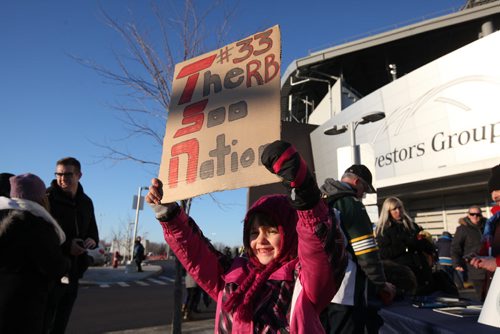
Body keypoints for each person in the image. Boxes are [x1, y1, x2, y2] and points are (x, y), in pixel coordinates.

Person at [146, 140, 347, 333]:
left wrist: (305, 195)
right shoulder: (232, 276)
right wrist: (168, 213)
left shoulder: (304, 282)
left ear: (291, 233)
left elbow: (319, 251)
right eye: (254, 232)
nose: (260, 240)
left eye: (271, 231)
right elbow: (196, 252)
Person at [320, 165, 396, 334]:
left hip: (317, 286)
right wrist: (381, 285)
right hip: (344, 290)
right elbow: (366, 253)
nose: (363, 195)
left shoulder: (320, 200)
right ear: (356, 182)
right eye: (365, 189)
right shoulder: (351, 204)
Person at [0, 173, 69, 334]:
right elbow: (55, 266)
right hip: (23, 305)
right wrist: (68, 263)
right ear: (41, 198)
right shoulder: (36, 225)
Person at [44, 157, 99, 334]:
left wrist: (92, 240)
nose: (62, 179)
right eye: (58, 174)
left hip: (74, 270)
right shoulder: (47, 198)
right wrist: (68, 245)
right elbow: (42, 233)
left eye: (68, 174)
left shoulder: (86, 202)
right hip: (51, 270)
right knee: (45, 321)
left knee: (62, 320)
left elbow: (93, 229)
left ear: (79, 175)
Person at [376, 197, 457, 297]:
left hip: (422, 271)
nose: (398, 211)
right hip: (404, 275)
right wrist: (406, 246)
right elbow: (384, 253)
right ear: (388, 212)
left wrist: (426, 244)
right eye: (394, 209)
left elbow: (426, 246)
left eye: (400, 208)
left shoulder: (412, 225)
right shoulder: (384, 230)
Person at [470, 164, 500, 295]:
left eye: (498, 189)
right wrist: (482, 257)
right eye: (492, 191)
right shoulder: (494, 221)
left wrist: (497, 262)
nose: (494, 196)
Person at [450, 206, 486, 301]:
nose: (475, 216)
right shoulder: (462, 229)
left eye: (477, 214)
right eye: (472, 214)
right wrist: (456, 263)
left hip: (490, 266)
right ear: (468, 215)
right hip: (474, 267)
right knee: (482, 296)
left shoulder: (487, 226)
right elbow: (455, 247)